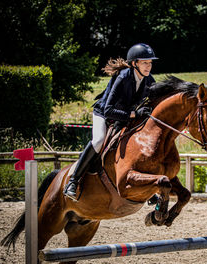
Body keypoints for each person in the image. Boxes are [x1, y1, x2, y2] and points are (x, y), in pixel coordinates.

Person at [64, 43, 158, 201]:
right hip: (105, 114)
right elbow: (108, 110)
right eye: (144, 62)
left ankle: (145, 187)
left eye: (150, 63)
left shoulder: (149, 80)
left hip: (124, 116)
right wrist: (134, 114)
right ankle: (73, 182)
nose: (148, 66)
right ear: (134, 63)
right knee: (99, 140)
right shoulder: (123, 77)